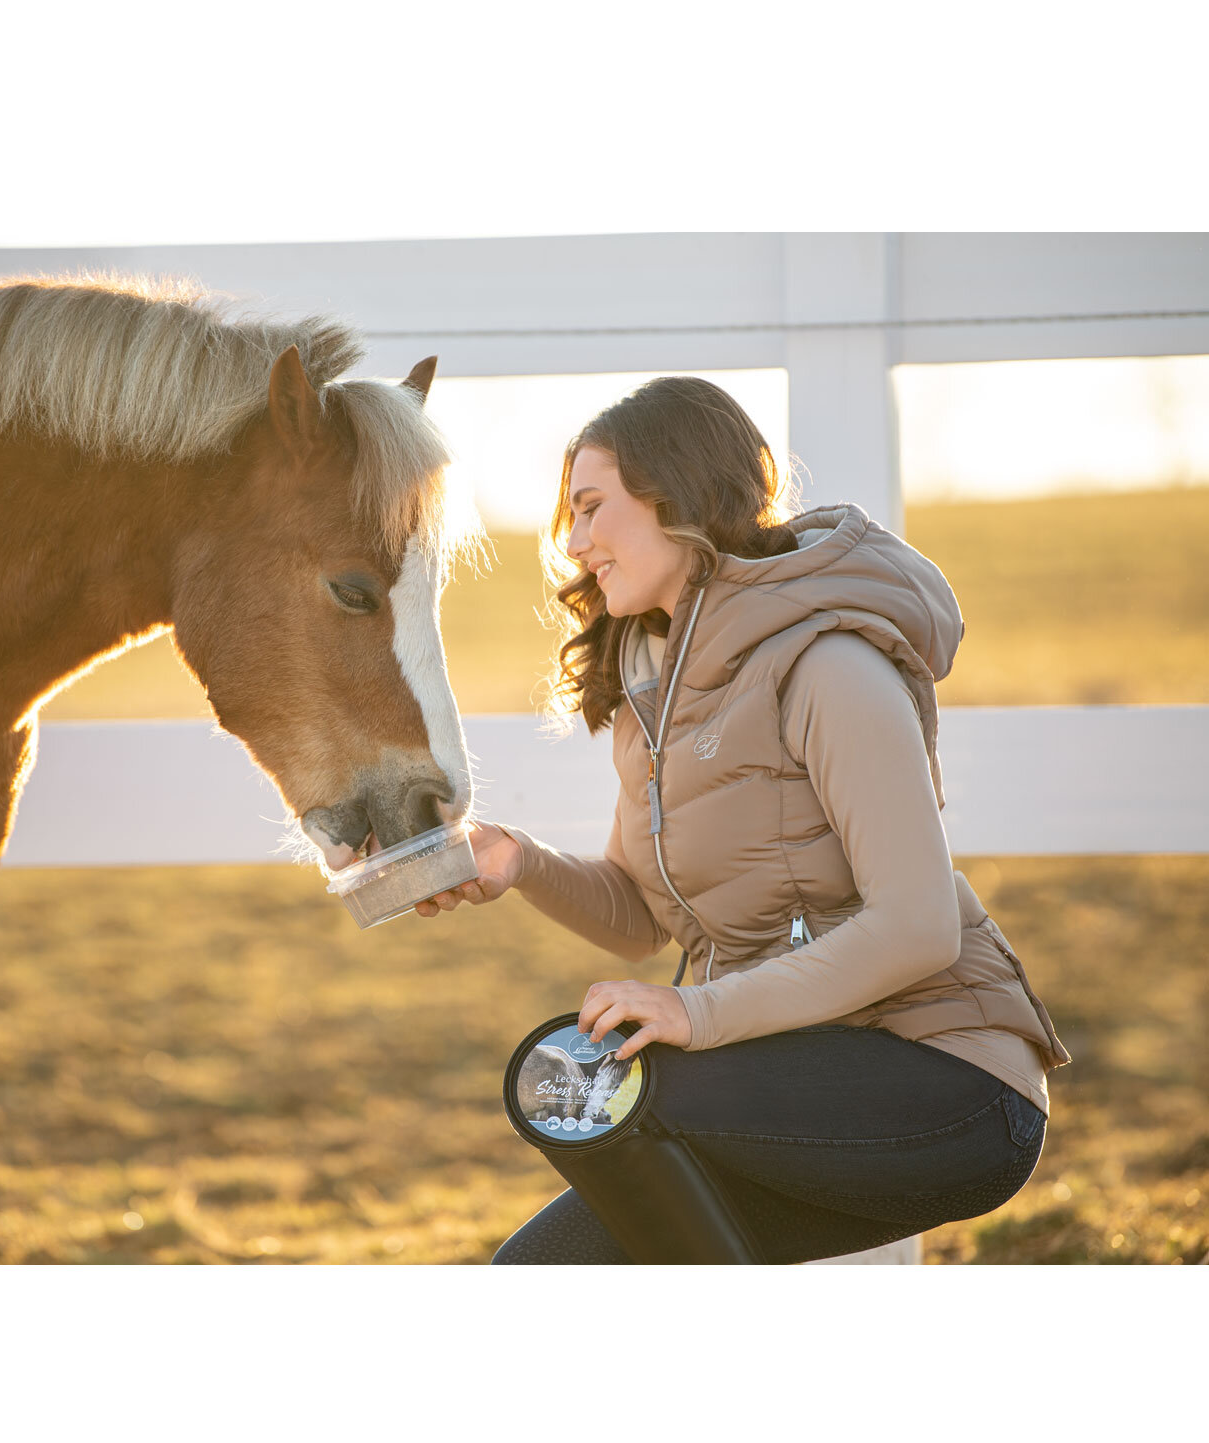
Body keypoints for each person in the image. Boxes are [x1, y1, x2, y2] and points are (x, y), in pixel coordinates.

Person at [417, 377, 1069, 1263]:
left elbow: (918, 928)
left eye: (592, 507)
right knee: (543, 1270)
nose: (574, 543)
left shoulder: (829, 666)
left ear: (675, 497)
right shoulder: (657, 694)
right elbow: (646, 917)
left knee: (593, 1090)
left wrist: (697, 1012)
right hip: (790, 1070)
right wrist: (519, 861)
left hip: (951, 1081)